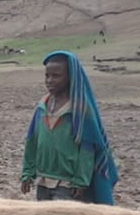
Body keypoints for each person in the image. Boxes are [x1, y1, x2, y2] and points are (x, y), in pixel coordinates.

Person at [20, 50, 118, 204]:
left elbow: (88, 148)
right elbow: (32, 140)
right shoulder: (42, 107)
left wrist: (80, 180)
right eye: (47, 76)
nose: (50, 80)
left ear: (70, 77)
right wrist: (27, 173)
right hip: (43, 180)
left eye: (56, 76)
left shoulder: (80, 110)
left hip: (68, 184)